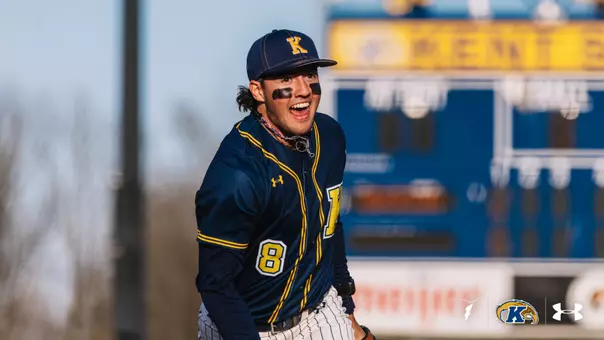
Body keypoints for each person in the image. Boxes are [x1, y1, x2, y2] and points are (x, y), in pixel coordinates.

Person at [195, 29, 374, 340]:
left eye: (309, 74)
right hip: (242, 324)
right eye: (286, 79)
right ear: (258, 91)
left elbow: (330, 226)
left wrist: (348, 313)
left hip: (318, 313)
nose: (303, 89)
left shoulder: (329, 137)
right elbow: (216, 285)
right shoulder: (237, 173)